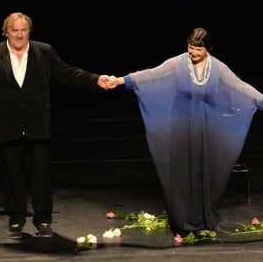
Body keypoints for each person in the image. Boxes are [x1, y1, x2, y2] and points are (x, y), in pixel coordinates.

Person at [109, 27, 263, 235]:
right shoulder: (178, 63)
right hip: (181, 126)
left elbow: (240, 87)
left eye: (198, 50)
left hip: (205, 127)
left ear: (208, 49)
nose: (193, 53)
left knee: (205, 171)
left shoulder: (217, 68)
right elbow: (151, 75)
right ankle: (182, 218)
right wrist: (121, 80)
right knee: (182, 171)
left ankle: (204, 216)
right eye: (191, 48)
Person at [0, 12, 113, 239]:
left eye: (23, 30)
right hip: (7, 122)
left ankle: (43, 221)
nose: (19, 35)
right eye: (14, 30)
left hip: (37, 123)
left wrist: (95, 79)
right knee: (13, 174)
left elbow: (67, 74)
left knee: (41, 175)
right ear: (6, 31)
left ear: (29, 31)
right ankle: (16, 220)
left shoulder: (43, 51)